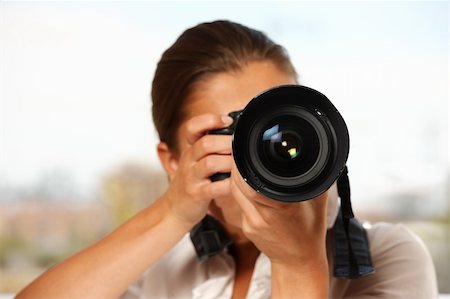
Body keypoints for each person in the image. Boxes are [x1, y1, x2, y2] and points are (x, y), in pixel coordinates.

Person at [17, 20, 437, 299]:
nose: (264, 146)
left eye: (276, 119)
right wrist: (172, 214)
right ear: (174, 161)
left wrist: (301, 264)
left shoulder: (384, 255)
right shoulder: (159, 263)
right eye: (232, 132)